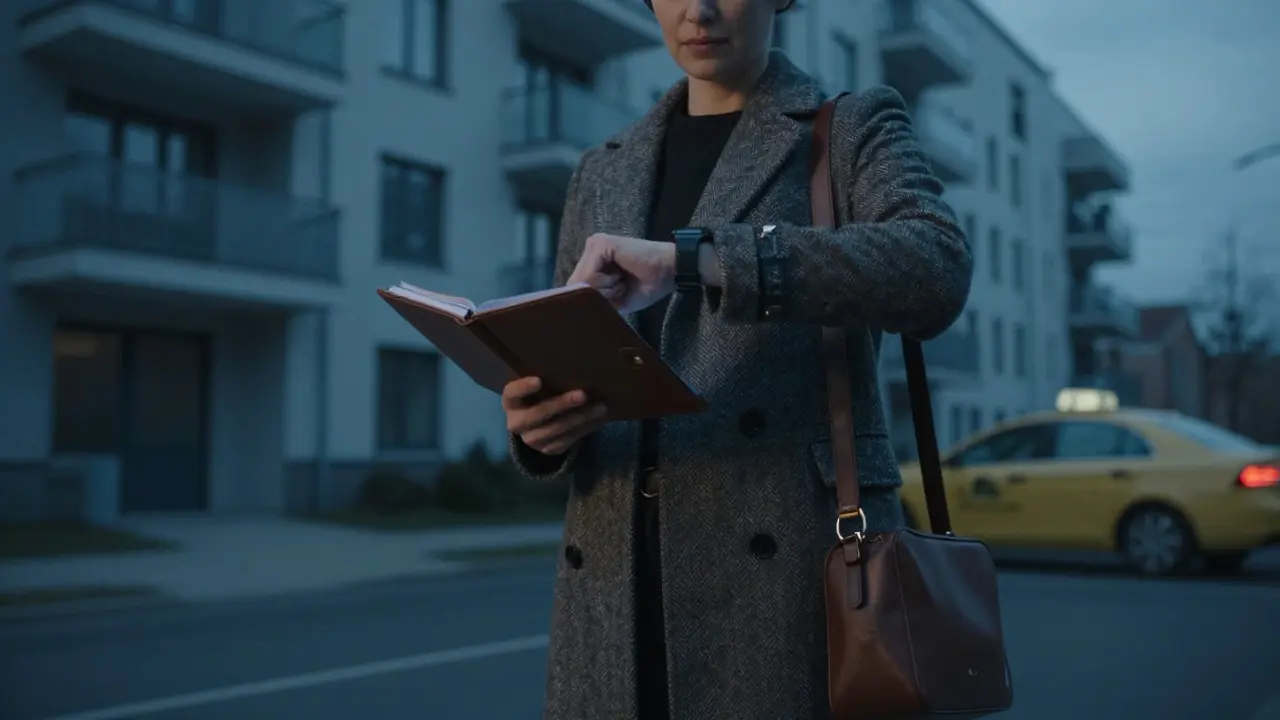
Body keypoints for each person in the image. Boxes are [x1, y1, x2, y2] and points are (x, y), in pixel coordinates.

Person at [501, 0, 973, 717]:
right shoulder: (602, 168)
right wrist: (540, 428)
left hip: (783, 590)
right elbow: (581, 351)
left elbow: (935, 267)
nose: (700, 9)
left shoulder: (845, 126)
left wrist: (705, 260)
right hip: (611, 601)